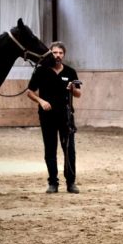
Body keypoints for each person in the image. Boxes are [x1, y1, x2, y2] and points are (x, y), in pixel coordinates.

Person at [27, 41, 82, 194]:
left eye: (60, 53)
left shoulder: (71, 72)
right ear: (50, 53)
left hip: (66, 116)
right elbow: (30, 92)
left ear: (64, 55)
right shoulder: (41, 71)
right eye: (55, 53)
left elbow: (78, 93)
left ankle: (71, 182)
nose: (57, 56)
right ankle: (53, 183)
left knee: (69, 150)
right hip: (47, 116)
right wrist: (41, 101)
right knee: (50, 149)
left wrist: (72, 88)